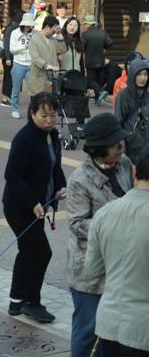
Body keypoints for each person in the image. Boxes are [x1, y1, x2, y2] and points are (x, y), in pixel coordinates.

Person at [66, 112, 134, 356]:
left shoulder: (124, 164)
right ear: (98, 148)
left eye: (121, 141)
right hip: (89, 270)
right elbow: (76, 224)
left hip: (119, 264)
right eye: (115, 143)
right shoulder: (79, 180)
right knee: (87, 329)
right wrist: (114, 223)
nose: (121, 146)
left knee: (114, 330)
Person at [2, 92, 67, 324]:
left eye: (52, 115)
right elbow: (12, 175)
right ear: (32, 114)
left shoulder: (53, 135)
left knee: (28, 251)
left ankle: (16, 301)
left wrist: (60, 186)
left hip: (40, 205)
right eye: (43, 115)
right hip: (19, 207)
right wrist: (33, 202)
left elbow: (54, 167)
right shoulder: (25, 138)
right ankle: (32, 302)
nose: (49, 120)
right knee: (41, 252)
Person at [85, 146, 149, 357]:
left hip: (108, 323)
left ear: (134, 172)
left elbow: (92, 270)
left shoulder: (104, 214)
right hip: (142, 331)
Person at [115, 59, 149, 161]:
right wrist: (121, 149)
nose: (143, 78)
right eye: (139, 74)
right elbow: (117, 122)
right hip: (130, 149)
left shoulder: (147, 96)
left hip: (146, 148)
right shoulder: (123, 95)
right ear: (132, 75)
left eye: (145, 74)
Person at [28, 16, 66, 96]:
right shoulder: (34, 39)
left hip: (52, 78)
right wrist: (48, 66)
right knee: (37, 105)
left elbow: (63, 50)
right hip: (39, 77)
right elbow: (35, 58)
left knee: (51, 105)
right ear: (47, 27)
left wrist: (59, 35)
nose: (54, 33)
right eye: (53, 30)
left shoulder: (53, 39)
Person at [8, 13, 35, 119]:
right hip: (19, 63)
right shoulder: (15, 33)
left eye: (31, 25)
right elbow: (12, 49)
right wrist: (24, 47)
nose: (29, 27)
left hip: (31, 64)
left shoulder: (34, 33)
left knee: (33, 89)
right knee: (16, 88)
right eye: (27, 25)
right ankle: (14, 109)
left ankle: (34, 110)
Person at [0, 9, 24, 109]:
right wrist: (7, 58)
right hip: (9, 57)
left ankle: (9, 97)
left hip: (15, 57)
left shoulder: (16, 28)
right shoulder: (11, 28)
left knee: (13, 78)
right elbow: (6, 44)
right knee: (8, 78)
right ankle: (5, 98)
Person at [81, 15, 113, 90]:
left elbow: (81, 47)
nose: (84, 26)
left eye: (84, 24)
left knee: (91, 82)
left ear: (87, 24)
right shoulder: (102, 32)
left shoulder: (85, 34)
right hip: (101, 62)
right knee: (99, 80)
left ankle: (93, 96)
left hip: (90, 62)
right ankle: (99, 95)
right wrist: (103, 47)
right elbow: (110, 42)